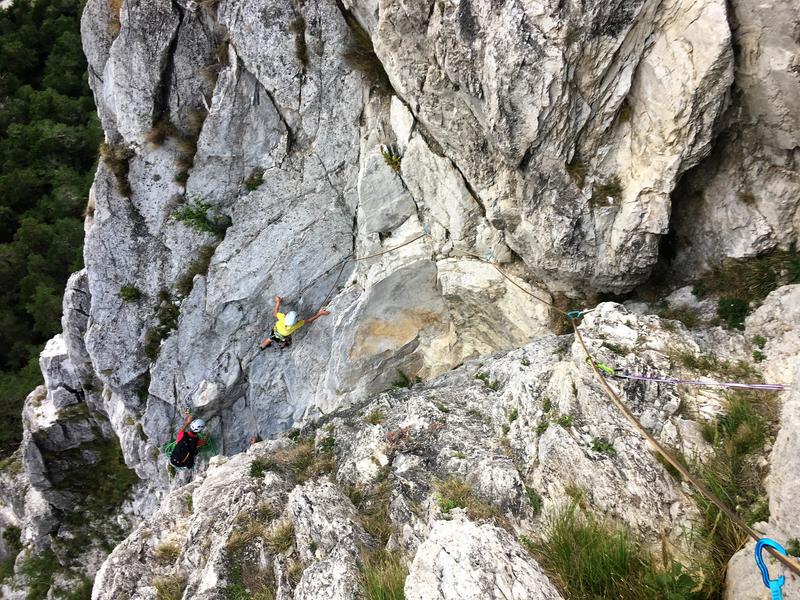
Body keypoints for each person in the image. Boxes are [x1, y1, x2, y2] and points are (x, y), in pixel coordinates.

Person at [259, 295, 330, 349]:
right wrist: (320, 314)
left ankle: (262, 346)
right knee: (282, 340)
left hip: (275, 332)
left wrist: (278, 302)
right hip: (283, 336)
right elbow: (309, 320)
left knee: (269, 339)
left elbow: (275, 313)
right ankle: (282, 344)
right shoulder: (296, 324)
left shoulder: (282, 318)